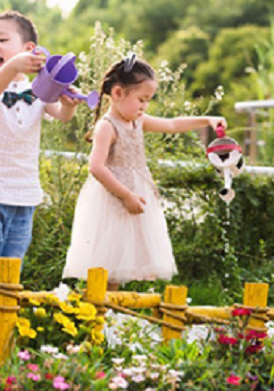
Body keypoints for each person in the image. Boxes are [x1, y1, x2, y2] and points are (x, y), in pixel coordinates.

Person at [0, 10, 83, 334]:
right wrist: (13, 66)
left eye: (2, 40)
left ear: (29, 48)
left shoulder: (40, 90)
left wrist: (69, 102)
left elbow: (62, 114)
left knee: (10, 266)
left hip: (23, 195)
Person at [62, 53, 227, 291]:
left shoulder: (138, 120)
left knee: (118, 265)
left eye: (148, 100)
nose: (144, 106)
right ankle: (97, 318)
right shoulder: (107, 127)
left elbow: (172, 124)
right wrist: (125, 194)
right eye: (141, 99)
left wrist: (207, 120)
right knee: (106, 266)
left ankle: (111, 318)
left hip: (135, 196)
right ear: (117, 93)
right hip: (112, 200)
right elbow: (96, 167)